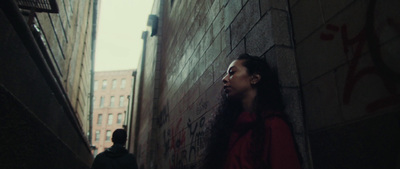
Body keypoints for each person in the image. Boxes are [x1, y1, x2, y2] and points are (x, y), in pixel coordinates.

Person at [201, 54, 301, 169]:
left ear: (254, 79)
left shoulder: (274, 126)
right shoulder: (231, 128)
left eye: (232, 73)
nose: (224, 78)